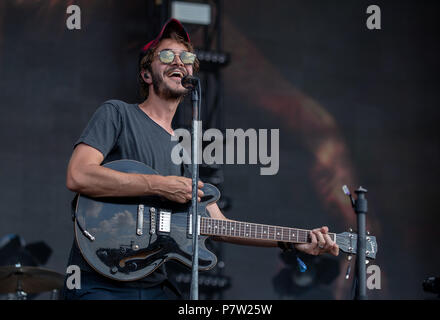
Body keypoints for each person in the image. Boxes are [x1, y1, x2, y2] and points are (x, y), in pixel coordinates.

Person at [61, 18, 339, 300]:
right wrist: (158, 185)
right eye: (167, 55)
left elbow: (220, 226)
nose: (179, 63)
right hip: (100, 279)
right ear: (146, 74)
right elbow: (79, 175)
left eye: (187, 58)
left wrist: (293, 241)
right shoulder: (117, 114)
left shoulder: (185, 152)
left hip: (154, 284)